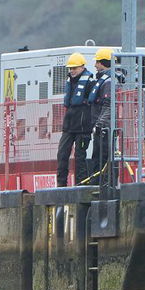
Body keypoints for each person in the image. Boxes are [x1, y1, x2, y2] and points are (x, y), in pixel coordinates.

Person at [55, 51, 92, 187]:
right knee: (62, 154)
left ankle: (81, 185)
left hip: (83, 127)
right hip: (69, 126)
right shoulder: (70, 81)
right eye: (70, 68)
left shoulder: (89, 83)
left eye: (74, 68)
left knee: (80, 157)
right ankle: (61, 185)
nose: (72, 71)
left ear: (82, 67)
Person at [85, 48, 115, 186]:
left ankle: (101, 185)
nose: (96, 65)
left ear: (103, 62)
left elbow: (109, 105)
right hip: (102, 127)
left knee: (101, 157)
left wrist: (99, 124)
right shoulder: (106, 80)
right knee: (98, 157)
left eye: (97, 62)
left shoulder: (108, 82)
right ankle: (98, 183)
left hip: (104, 128)